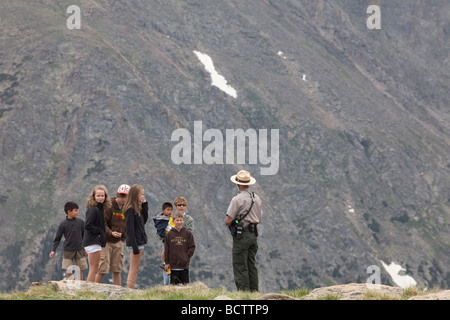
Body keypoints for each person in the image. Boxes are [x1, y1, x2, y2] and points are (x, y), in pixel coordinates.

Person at [225, 170, 262, 292]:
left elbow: (228, 220)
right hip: (253, 235)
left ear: (238, 184)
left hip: (242, 236)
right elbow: (259, 219)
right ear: (249, 184)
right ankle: (254, 292)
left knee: (240, 265)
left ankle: (243, 294)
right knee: (251, 265)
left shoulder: (237, 199)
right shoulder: (256, 198)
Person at [96, 184, 130, 285]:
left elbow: (128, 224)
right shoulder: (109, 205)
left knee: (117, 269)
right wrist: (111, 233)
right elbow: (103, 223)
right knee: (103, 268)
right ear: (117, 195)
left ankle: (118, 293)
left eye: (126, 196)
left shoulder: (127, 208)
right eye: (122, 196)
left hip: (118, 242)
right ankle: (93, 290)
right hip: (106, 241)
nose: (123, 199)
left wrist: (123, 239)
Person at [49, 202, 87, 280]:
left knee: (80, 269)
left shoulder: (81, 222)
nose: (77, 212)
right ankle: (71, 285)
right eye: (75, 210)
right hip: (68, 250)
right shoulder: (63, 224)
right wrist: (53, 250)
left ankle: (81, 285)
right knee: (69, 269)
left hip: (79, 249)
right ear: (69, 212)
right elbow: (57, 238)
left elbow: (85, 236)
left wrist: (85, 248)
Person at [83, 185, 111, 282]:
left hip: (94, 241)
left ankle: (89, 288)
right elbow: (88, 225)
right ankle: (89, 290)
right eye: (98, 196)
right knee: (94, 269)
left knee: (94, 268)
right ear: (94, 196)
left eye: (102, 196)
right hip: (93, 241)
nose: (100, 198)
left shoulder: (99, 209)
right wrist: (99, 231)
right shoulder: (93, 209)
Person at [124, 184, 148, 289]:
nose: (143, 196)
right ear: (135, 195)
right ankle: (130, 289)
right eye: (141, 194)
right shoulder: (130, 210)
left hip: (140, 241)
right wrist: (134, 247)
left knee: (135, 268)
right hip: (136, 242)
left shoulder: (137, 208)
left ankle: (131, 287)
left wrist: (145, 205)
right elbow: (130, 229)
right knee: (133, 268)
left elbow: (143, 221)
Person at [164, 211, 196, 286]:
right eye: (177, 220)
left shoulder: (188, 233)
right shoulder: (169, 234)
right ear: (173, 221)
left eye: (181, 220)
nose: (179, 222)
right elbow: (166, 249)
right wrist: (167, 262)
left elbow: (192, 247)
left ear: (183, 221)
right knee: (173, 286)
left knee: (185, 285)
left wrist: (186, 256)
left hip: (184, 265)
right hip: (173, 265)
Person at [153, 202, 174, 285]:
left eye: (171, 210)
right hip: (167, 241)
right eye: (168, 210)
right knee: (166, 258)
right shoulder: (162, 220)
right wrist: (166, 238)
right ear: (163, 210)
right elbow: (160, 231)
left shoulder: (170, 218)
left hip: (173, 241)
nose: (169, 212)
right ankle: (167, 282)